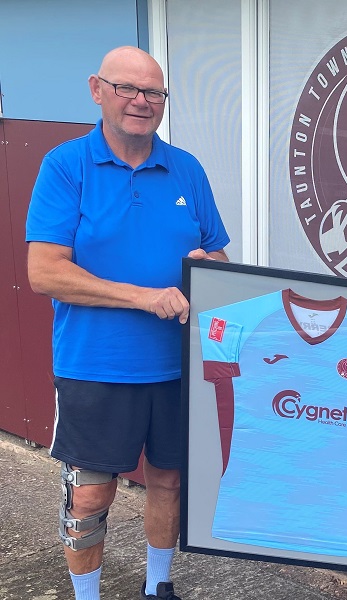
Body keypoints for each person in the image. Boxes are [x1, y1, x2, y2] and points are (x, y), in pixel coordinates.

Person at [25, 46, 230, 600]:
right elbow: (44, 272)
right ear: (97, 90)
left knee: (169, 481)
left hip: (176, 365)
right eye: (127, 89)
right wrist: (141, 297)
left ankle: (157, 586)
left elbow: (218, 257)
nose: (142, 101)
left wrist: (210, 268)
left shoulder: (186, 168)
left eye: (154, 93)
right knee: (90, 495)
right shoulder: (66, 166)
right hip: (95, 364)